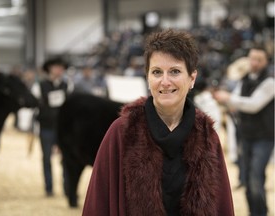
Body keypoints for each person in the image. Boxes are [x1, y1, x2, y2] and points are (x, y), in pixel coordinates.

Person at [82, 29, 234, 216]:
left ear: (192, 78)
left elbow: (222, 205)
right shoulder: (122, 132)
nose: (165, 81)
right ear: (147, 78)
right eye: (156, 72)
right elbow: (98, 204)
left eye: (175, 71)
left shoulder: (206, 136)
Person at [213, 46, 274, 216]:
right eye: (252, 58)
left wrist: (229, 98)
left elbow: (254, 105)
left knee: (256, 177)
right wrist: (227, 101)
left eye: (258, 59)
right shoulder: (244, 79)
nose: (254, 63)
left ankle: (260, 213)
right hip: (245, 135)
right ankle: (253, 212)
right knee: (247, 178)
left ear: (265, 62)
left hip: (264, 137)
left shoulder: (270, 82)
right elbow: (237, 103)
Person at [34, 57, 70, 196]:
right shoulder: (40, 86)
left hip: (63, 128)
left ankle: (67, 188)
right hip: (46, 126)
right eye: (56, 67)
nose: (59, 70)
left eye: (61, 67)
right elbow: (36, 106)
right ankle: (48, 189)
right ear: (49, 68)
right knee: (46, 158)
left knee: (66, 158)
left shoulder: (67, 85)